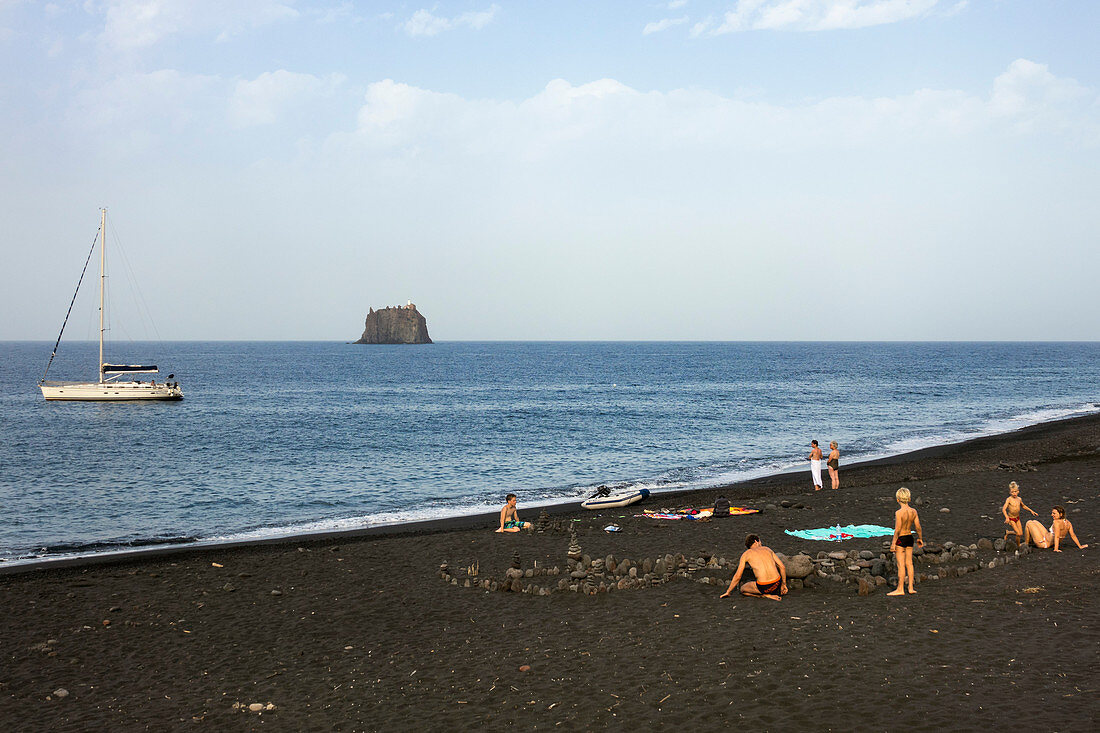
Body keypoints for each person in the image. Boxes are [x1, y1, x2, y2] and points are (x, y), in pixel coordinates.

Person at [720, 534, 788, 601]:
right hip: (777, 584)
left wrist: (728, 591)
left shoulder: (746, 554)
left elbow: (738, 576)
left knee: (742, 589)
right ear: (756, 541)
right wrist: (783, 584)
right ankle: (769, 593)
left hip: (764, 587)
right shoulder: (767, 549)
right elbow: (782, 567)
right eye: (760, 541)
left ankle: (764, 595)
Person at [888, 487, 923, 596]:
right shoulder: (913, 511)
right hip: (909, 537)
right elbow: (918, 527)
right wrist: (920, 538)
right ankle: (911, 587)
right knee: (910, 563)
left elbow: (897, 529)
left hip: (901, 539)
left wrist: (893, 543)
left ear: (898, 499)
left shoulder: (899, 512)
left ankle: (900, 589)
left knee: (901, 565)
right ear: (909, 498)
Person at [1022, 506, 1088, 551]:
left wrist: (1056, 549)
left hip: (1044, 543)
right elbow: (1073, 535)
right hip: (1048, 538)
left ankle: (1027, 543)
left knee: (1029, 523)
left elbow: (1057, 536)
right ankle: (1030, 541)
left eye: (1054, 513)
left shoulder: (1056, 522)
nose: (1052, 515)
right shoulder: (1068, 523)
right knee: (1034, 521)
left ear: (1061, 514)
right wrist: (1080, 546)